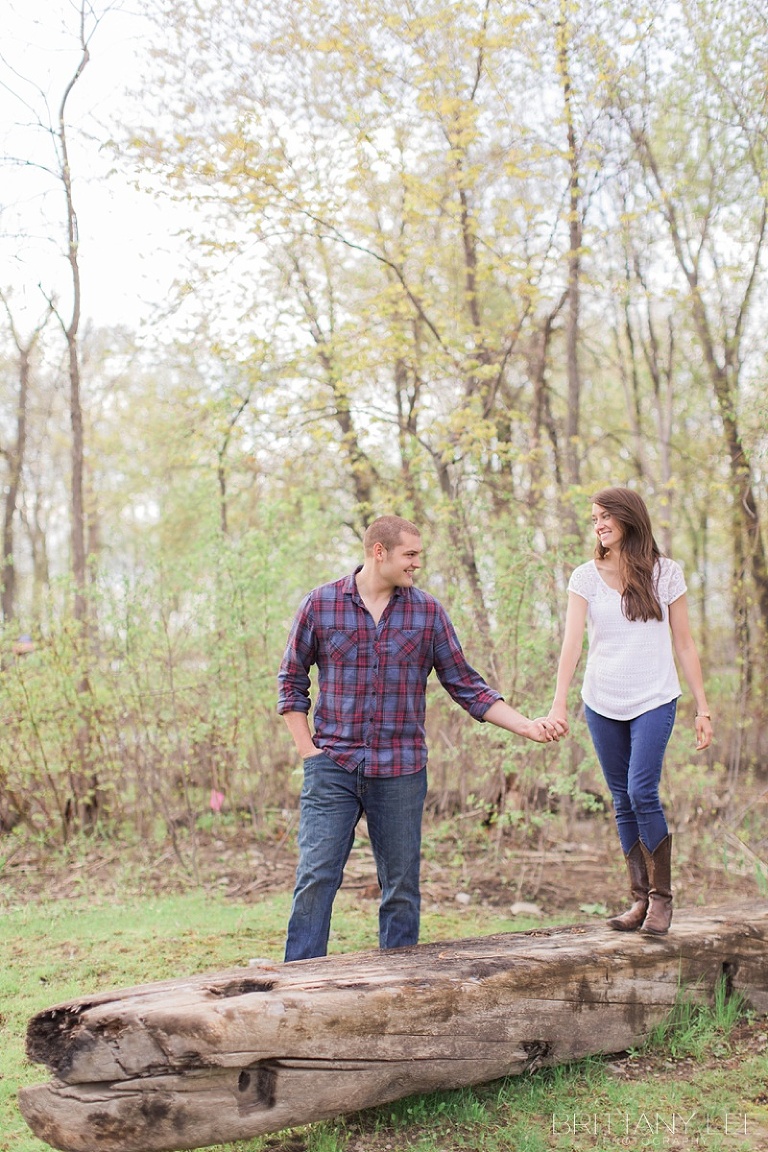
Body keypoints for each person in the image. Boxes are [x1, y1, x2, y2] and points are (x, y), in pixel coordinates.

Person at [278, 514, 566, 961]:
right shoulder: (321, 604)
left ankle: (402, 987)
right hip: (332, 765)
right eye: (410, 554)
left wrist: (525, 725)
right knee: (316, 878)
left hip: (401, 770)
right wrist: (308, 753)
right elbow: (291, 682)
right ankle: (298, 983)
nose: (417, 564)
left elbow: (466, 685)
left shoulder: (426, 611)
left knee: (401, 886)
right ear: (380, 552)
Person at [547, 488, 713, 935]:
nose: (598, 524)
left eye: (605, 517)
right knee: (621, 799)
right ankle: (638, 900)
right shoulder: (584, 577)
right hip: (601, 701)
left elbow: (684, 642)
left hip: (655, 698)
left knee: (642, 791)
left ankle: (662, 899)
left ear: (628, 519)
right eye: (594, 518)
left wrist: (703, 706)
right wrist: (559, 700)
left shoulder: (666, 573)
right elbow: (571, 644)